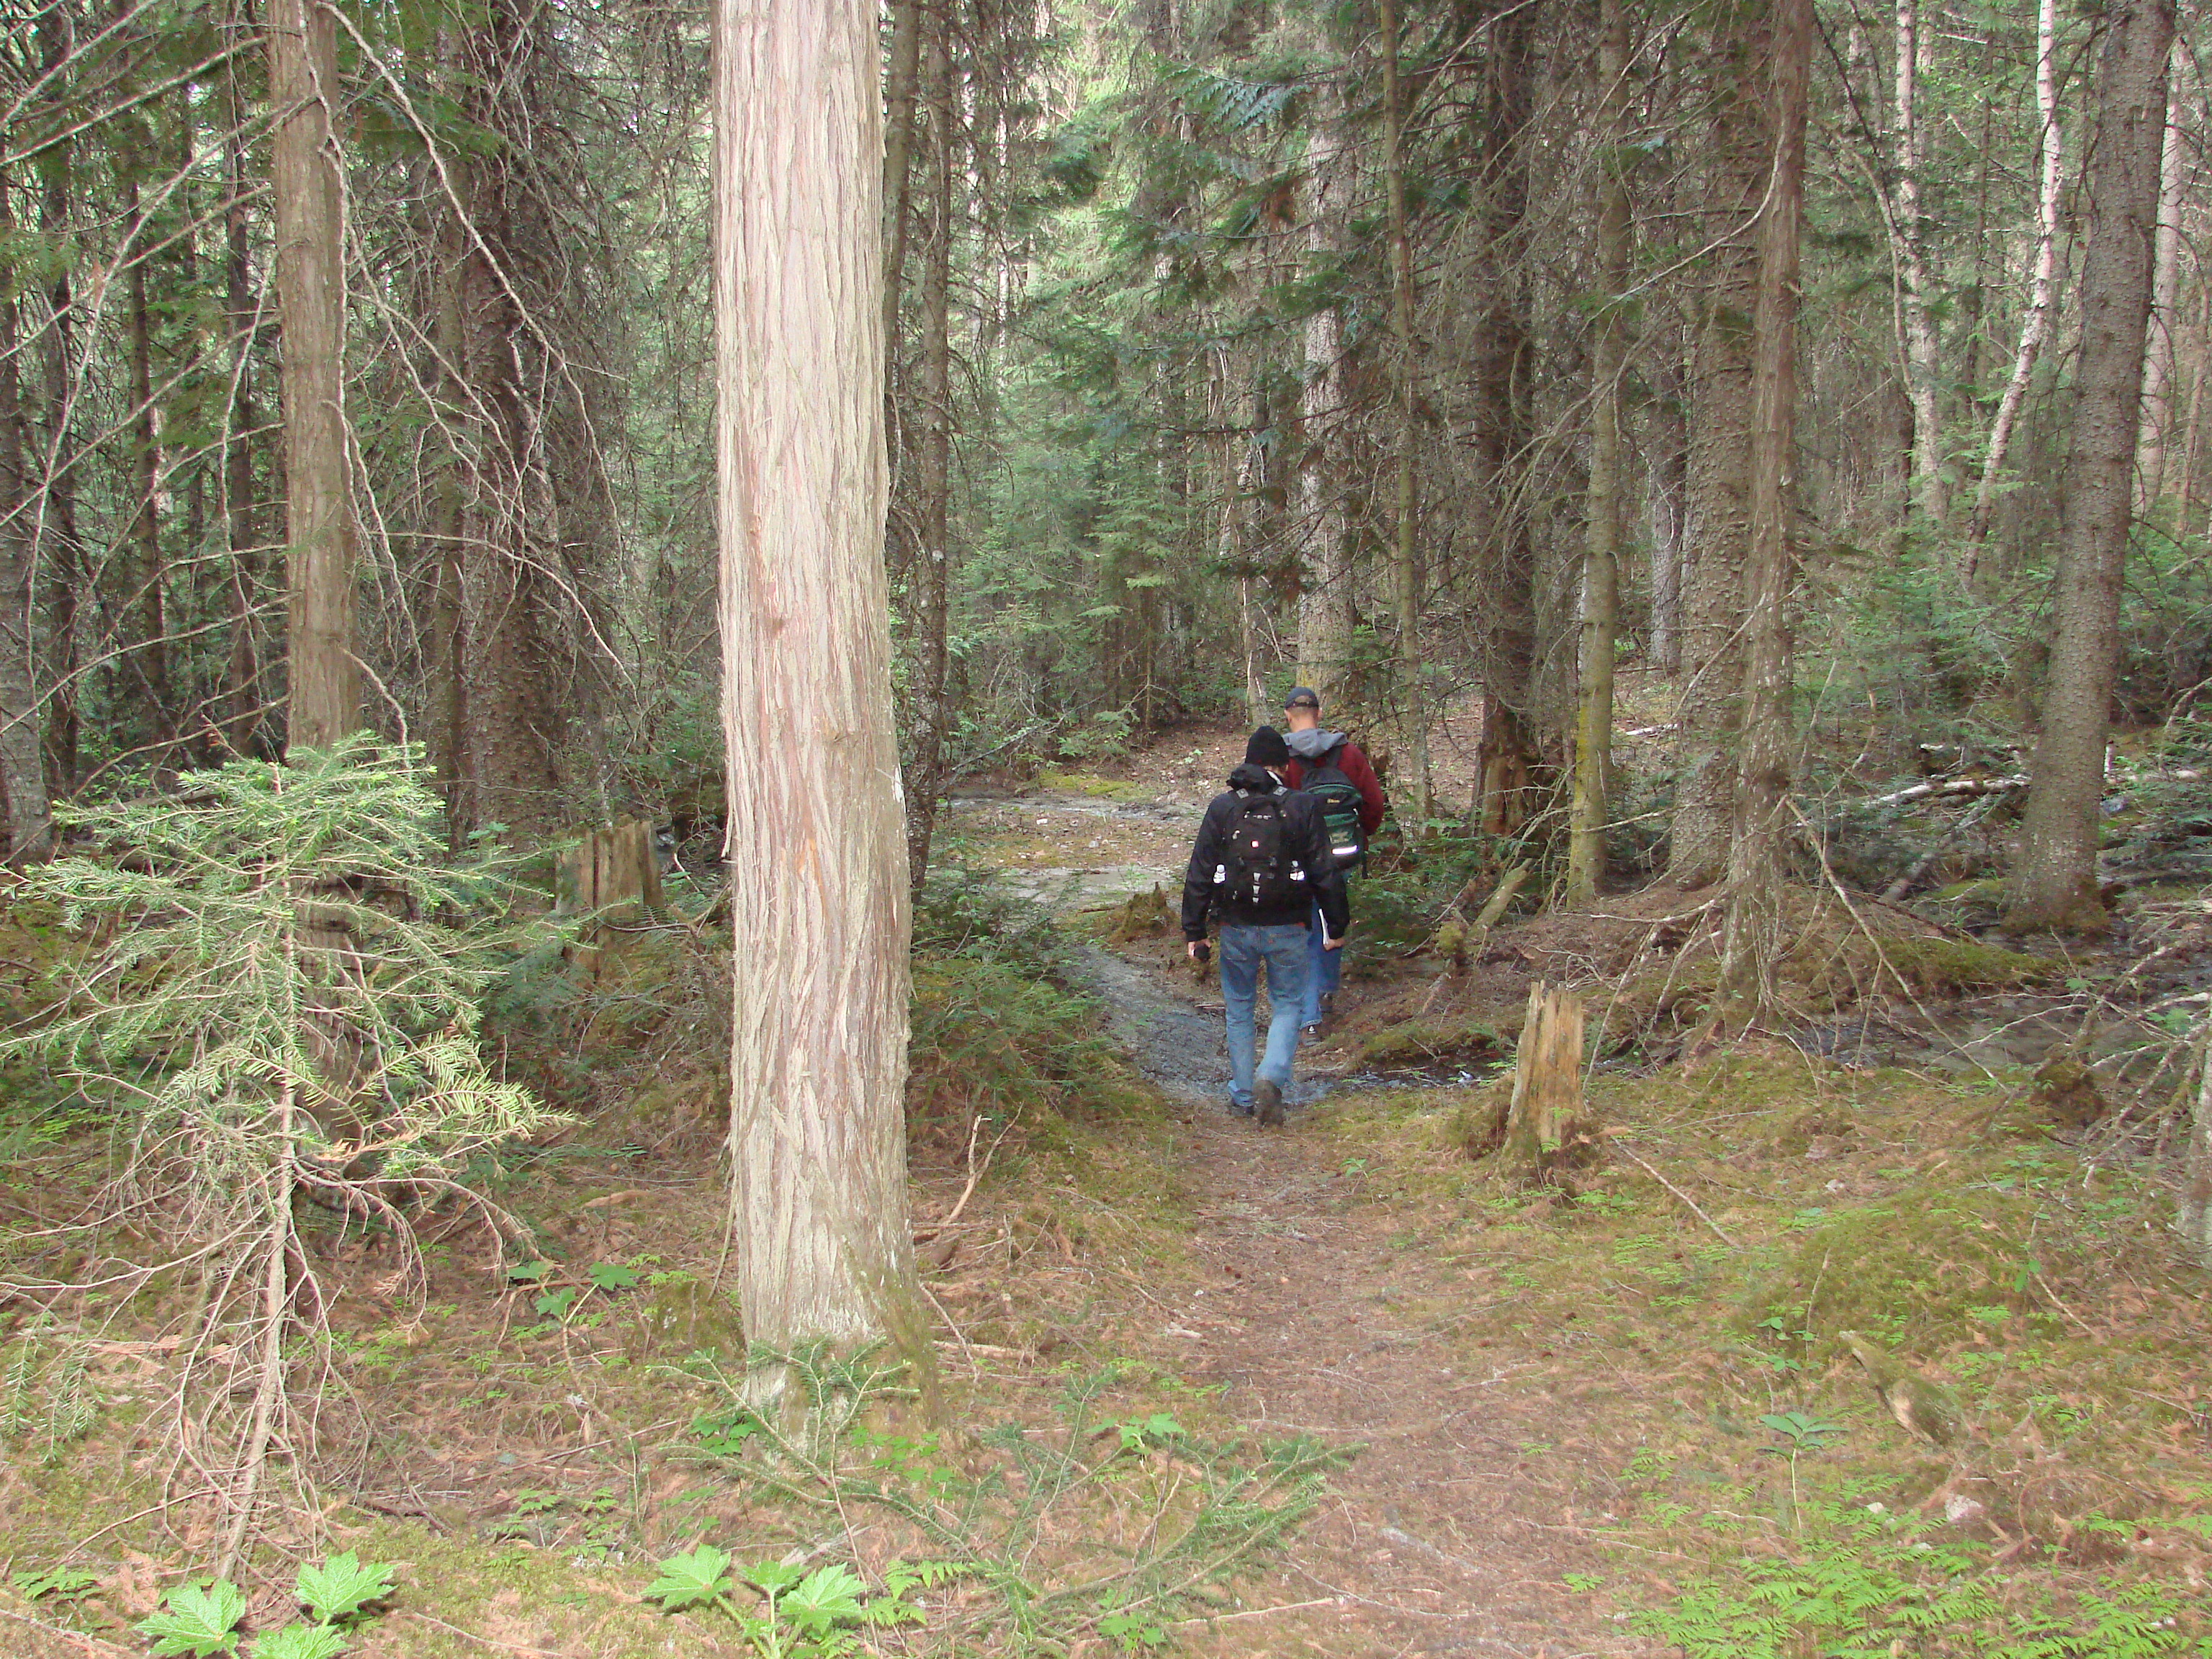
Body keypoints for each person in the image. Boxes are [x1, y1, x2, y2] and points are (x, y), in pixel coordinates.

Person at [1181, 727, 1349, 1125]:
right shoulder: (1302, 805)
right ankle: (1271, 1076)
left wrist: (1195, 931)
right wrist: (1336, 925)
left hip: (1236, 926)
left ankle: (1243, 1095)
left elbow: (1200, 870)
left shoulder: (1223, 807)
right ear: (1284, 766)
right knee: (1288, 1004)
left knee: (1239, 1008)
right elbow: (1325, 872)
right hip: (1289, 925)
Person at [1280, 688, 1387, 1037]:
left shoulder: (1281, 758)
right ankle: (1326, 991)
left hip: (1298, 859)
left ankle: (1309, 1018)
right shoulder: (1349, 753)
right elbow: (1374, 803)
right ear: (1320, 713)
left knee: (1307, 930)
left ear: (1288, 715)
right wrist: (1359, 835)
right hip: (1341, 855)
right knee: (1333, 918)